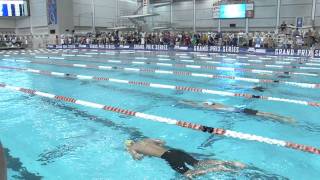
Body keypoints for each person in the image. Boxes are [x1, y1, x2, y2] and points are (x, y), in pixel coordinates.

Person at [125, 139, 245, 178]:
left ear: (128, 145)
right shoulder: (146, 140)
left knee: (189, 175)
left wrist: (138, 154)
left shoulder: (132, 148)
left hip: (169, 157)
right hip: (175, 151)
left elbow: (137, 158)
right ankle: (230, 162)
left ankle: (218, 168)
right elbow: (162, 141)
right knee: (198, 162)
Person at [179, 100, 295, 124]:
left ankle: (282, 118)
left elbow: (196, 104)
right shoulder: (214, 104)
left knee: (263, 115)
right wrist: (187, 102)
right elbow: (196, 103)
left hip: (240, 112)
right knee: (263, 113)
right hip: (241, 109)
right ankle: (283, 117)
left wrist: (186, 103)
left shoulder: (211, 107)